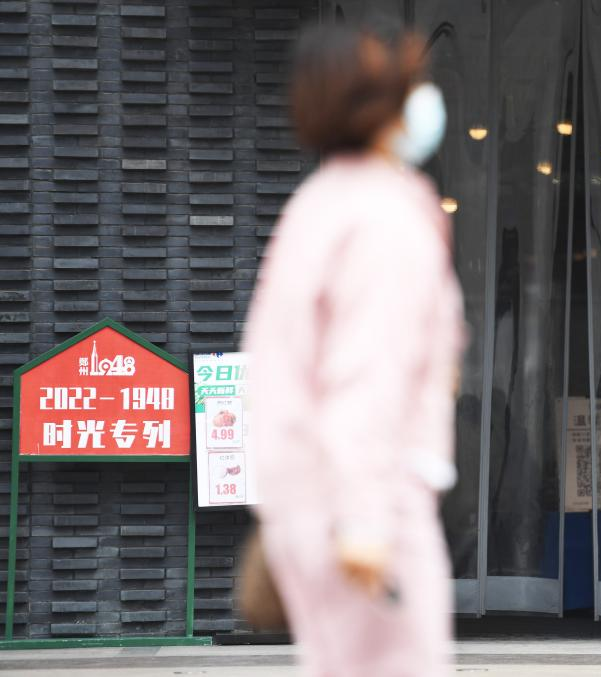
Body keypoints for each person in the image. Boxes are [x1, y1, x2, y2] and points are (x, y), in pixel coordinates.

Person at [244, 24, 464, 677]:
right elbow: (367, 374)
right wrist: (364, 520)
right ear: (382, 105)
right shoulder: (385, 219)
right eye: (412, 85)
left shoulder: (316, 205)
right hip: (370, 508)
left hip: (313, 501)